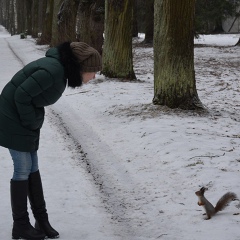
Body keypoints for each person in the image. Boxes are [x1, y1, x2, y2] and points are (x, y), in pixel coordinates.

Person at [0, 42, 102, 240]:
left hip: (21, 117)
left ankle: (41, 220)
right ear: (83, 68)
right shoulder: (53, 71)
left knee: (32, 167)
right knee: (22, 168)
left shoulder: (59, 72)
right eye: (94, 71)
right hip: (11, 116)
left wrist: (32, 121)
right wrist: (31, 121)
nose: (95, 76)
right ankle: (20, 225)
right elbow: (21, 95)